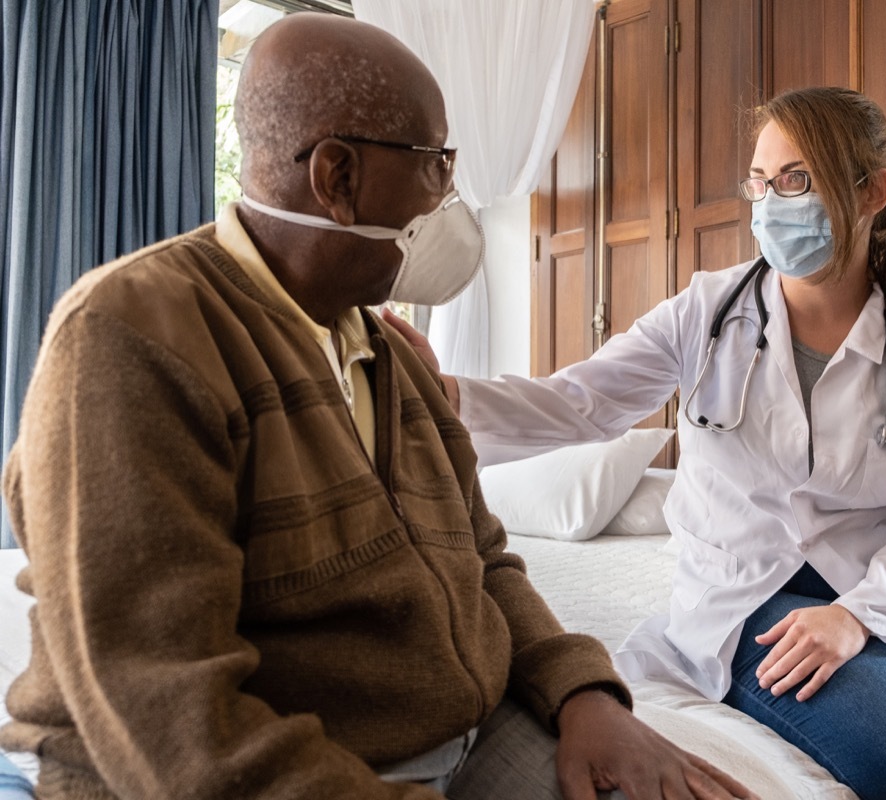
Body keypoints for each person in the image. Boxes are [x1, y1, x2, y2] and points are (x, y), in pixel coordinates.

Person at [0, 14, 755, 800]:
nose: (448, 190)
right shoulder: (133, 337)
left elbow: (485, 559)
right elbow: (166, 712)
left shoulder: (388, 354)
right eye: (435, 161)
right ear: (338, 178)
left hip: (460, 737)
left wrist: (583, 693)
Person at [388, 87, 886, 800]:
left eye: (794, 180)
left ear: (873, 193)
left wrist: (860, 616)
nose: (769, 203)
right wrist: (448, 394)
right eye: (759, 182)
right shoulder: (707, 313)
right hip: (751, 592)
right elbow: (581, 403)